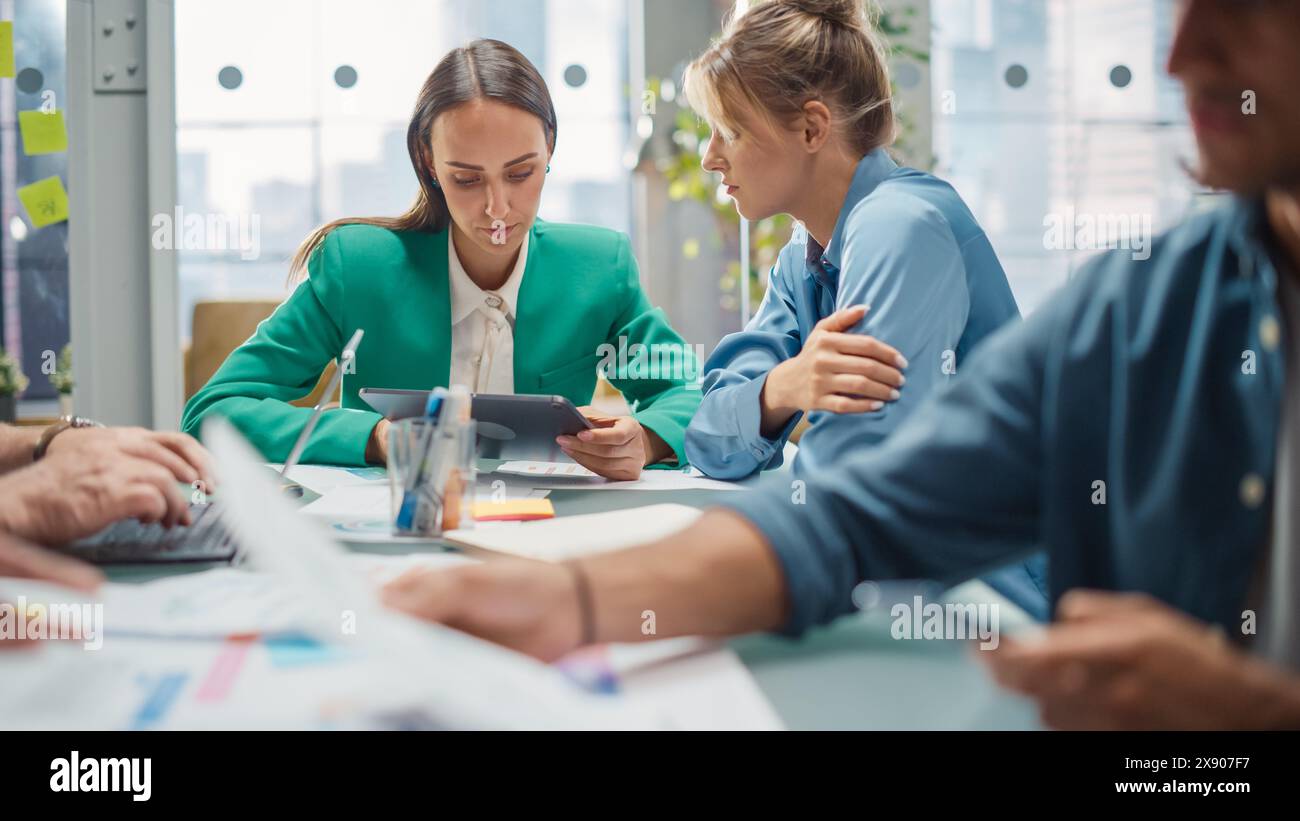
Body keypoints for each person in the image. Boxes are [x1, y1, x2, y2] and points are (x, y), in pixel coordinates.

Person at [380, 0, 1300, 729]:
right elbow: (771, 460)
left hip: (978, 605)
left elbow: (848, 470)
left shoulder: (903, 227)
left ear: (812, 128)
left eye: (1248, 5)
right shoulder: (1162, 287)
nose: (1179, 56)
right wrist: (571, 597)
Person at [182, 39, 700, 481]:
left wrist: (649, 440)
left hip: (549, 539)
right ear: (429, 163)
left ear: (550, 147)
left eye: (520, 173)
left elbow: (694, 394)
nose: (497, 208)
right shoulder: (356, 267)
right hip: (394, 538)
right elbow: (215, 411)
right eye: (467, 179)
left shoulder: (597, 267)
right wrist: (378, 438)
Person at [674, 0, 1045, 615]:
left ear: (813, 129)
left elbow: (849, 484)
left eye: (730, 131)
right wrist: (782, 387)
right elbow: (709, 435)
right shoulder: (807, 254)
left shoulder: (900, 227)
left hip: (997, 606)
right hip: (911, 589)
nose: (712, 156)